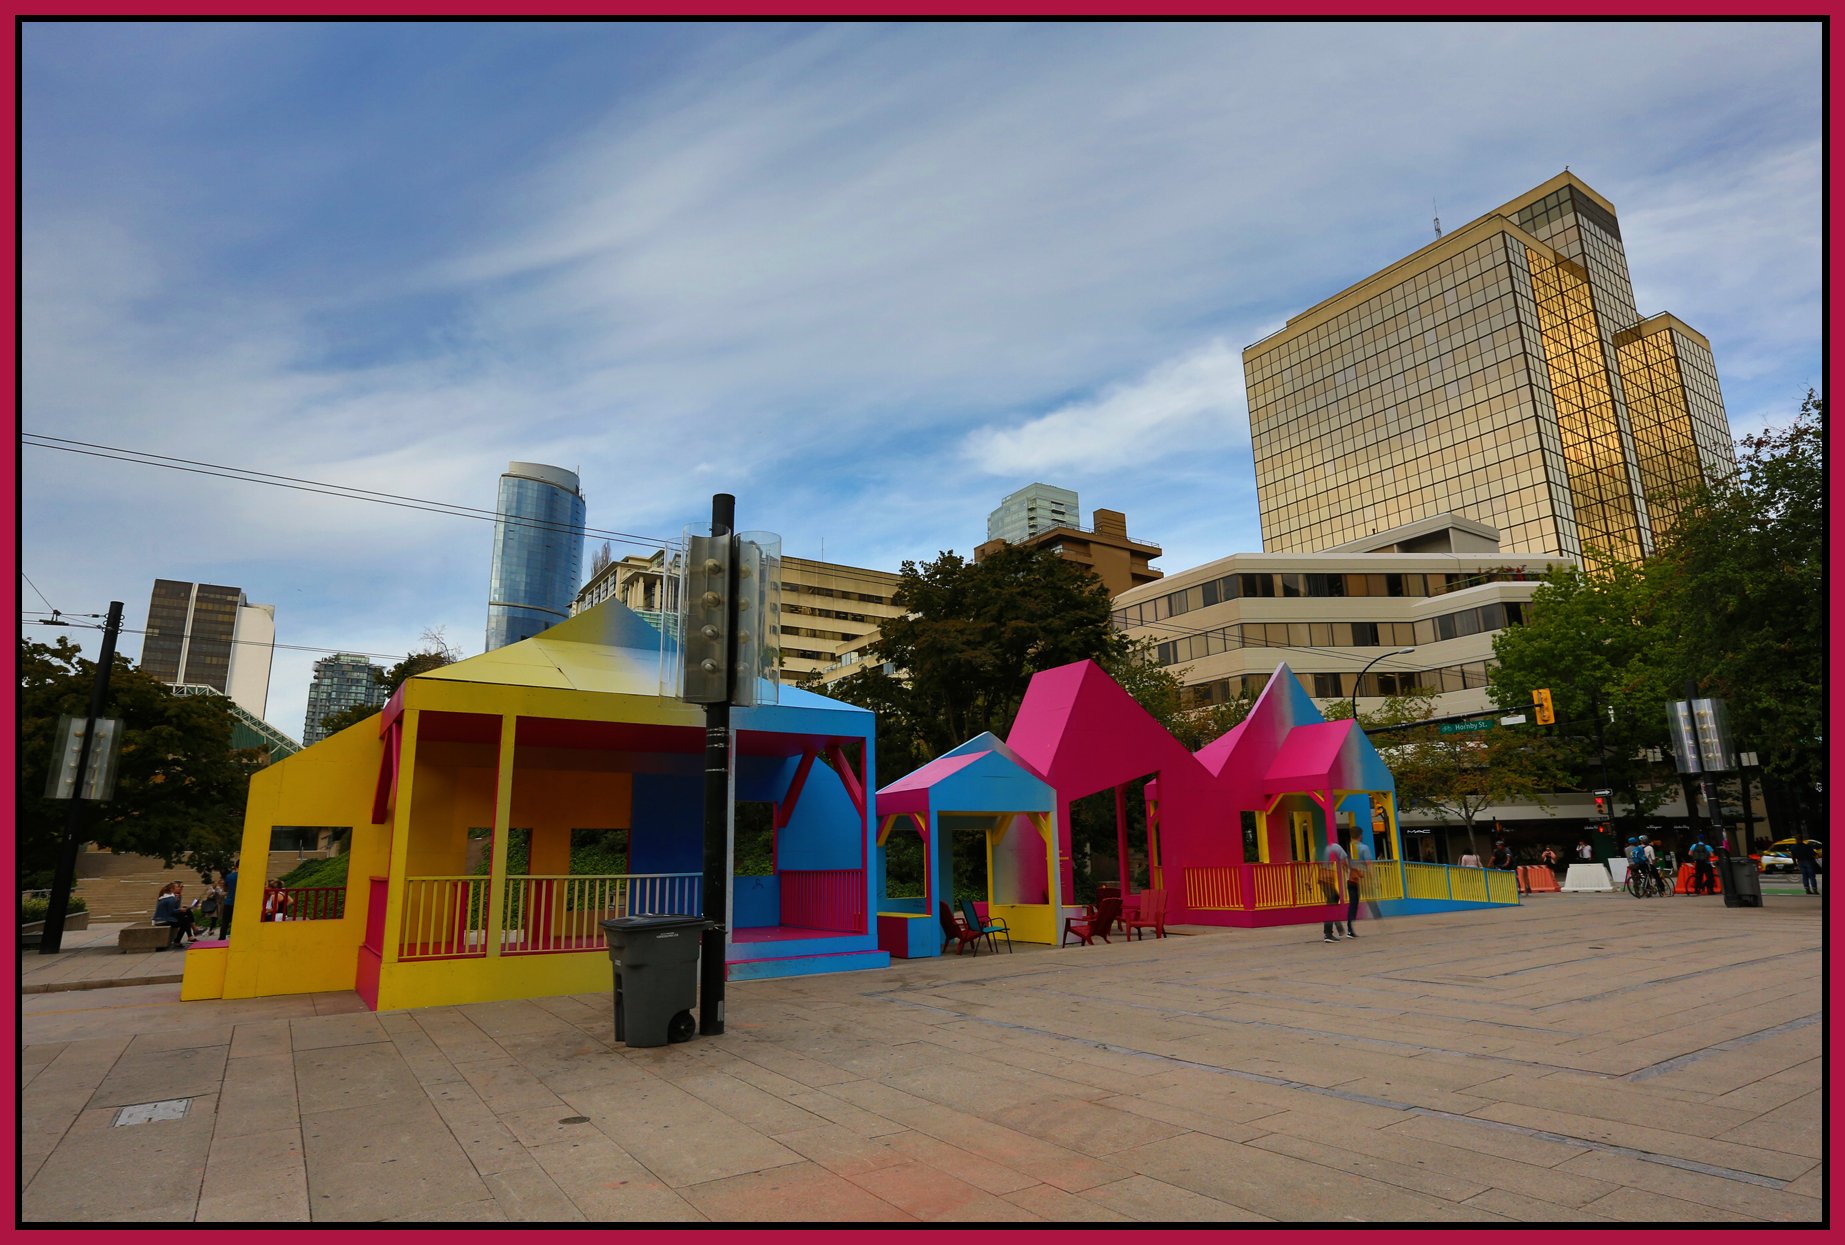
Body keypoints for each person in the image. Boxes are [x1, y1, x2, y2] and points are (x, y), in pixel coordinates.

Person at [1321, 834, 1351, 943]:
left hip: (1321, 878)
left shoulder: (1320, 848)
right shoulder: (1336, 847)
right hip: (1328, 879)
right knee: (1331, 903)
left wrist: (1309, 880)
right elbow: (1344, 862)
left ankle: (1337, 927)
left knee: (1333, 900)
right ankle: (1328, 933)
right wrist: (1348, 873)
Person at [1344, 832, 1373, 939]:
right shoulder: (1363, 848)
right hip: (1356, 880)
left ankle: (1350, 929)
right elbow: (1368, 864)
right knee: (1354, 905)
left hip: (1350, 880)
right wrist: (1371, 877)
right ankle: (1350, 930)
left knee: (1353, 905)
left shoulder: (1349, 849)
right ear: (1360, 836)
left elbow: (1346, 864)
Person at [151, 882, 196, 947]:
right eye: (178, 887)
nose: (180, 888)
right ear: (172, 889)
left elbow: (174, 909)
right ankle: (188, 935)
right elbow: (171, 912)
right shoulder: (170, 898)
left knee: (185, 917)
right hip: (163, 920)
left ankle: (189, 935)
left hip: (161, 919)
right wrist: (180, 909)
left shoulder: (165, 896)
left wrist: (179, 905)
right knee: (186, 919)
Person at [220, 865, 238, 939]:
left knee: (225, 922)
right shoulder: (245, 876)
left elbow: (225, 888)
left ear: (235, 866)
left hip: (229, 901)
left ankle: (221, 938)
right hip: (240, 903)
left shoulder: (229, 876)